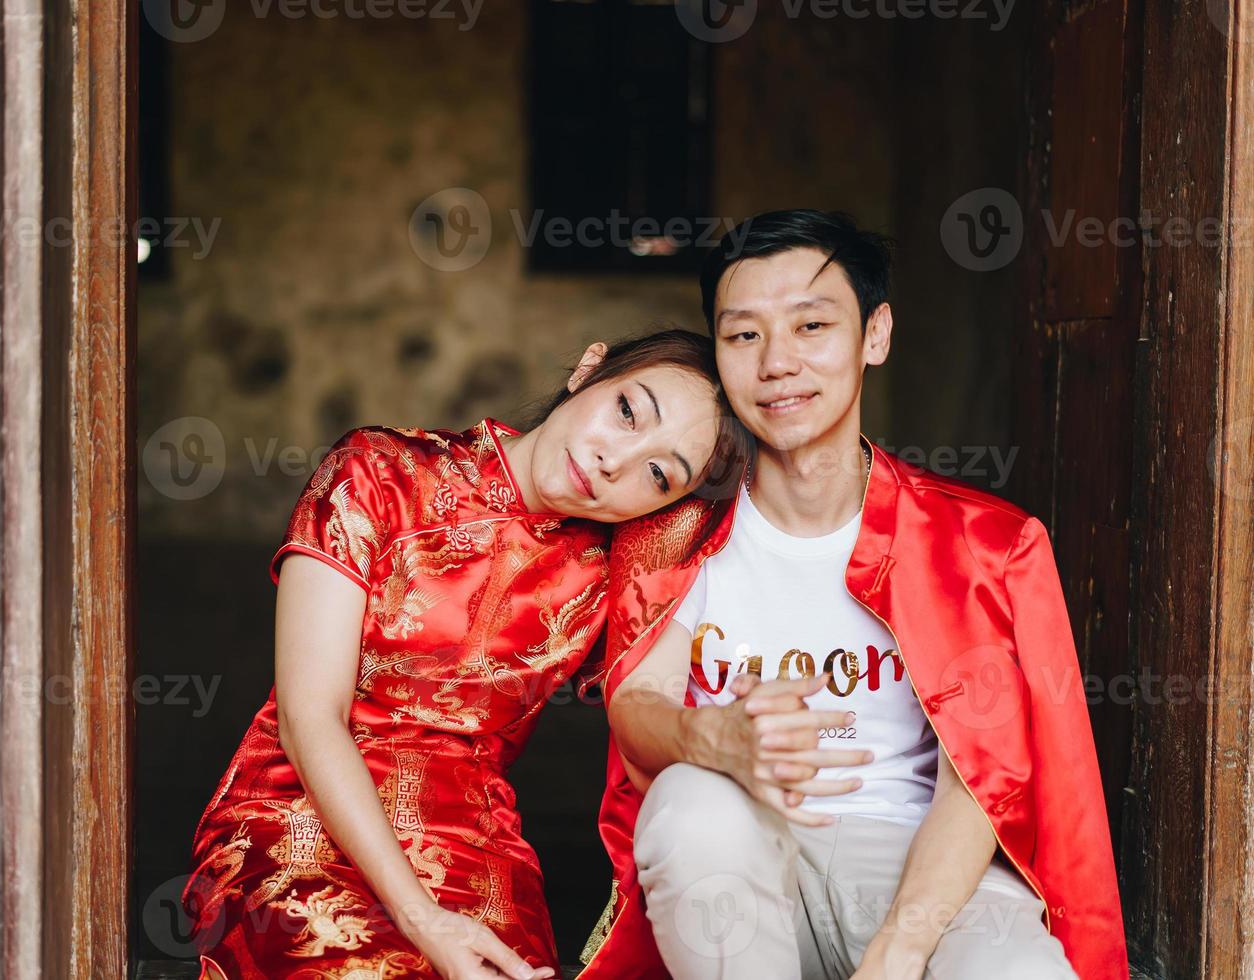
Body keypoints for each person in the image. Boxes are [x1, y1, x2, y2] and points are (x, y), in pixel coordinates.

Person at [574, 211, 1129, 980]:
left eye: (811, 326)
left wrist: (901, 950)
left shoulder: (976, 545)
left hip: (920, 872)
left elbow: (981, 780)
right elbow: (637, 707)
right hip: (746, 858)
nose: (777, 363)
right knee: (691, 806)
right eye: (744, 336)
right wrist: (717, 741)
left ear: (875, 335)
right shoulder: (678, 534)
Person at [182, 329, 833, 980]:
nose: (617, 461)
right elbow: (308, 717)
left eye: (659, 474)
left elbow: (663, 695)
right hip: (296, 814)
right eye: (629, 411)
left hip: (472, 843)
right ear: (589, 369)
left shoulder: (609, 570)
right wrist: (423, 920)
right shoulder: (377, 470)